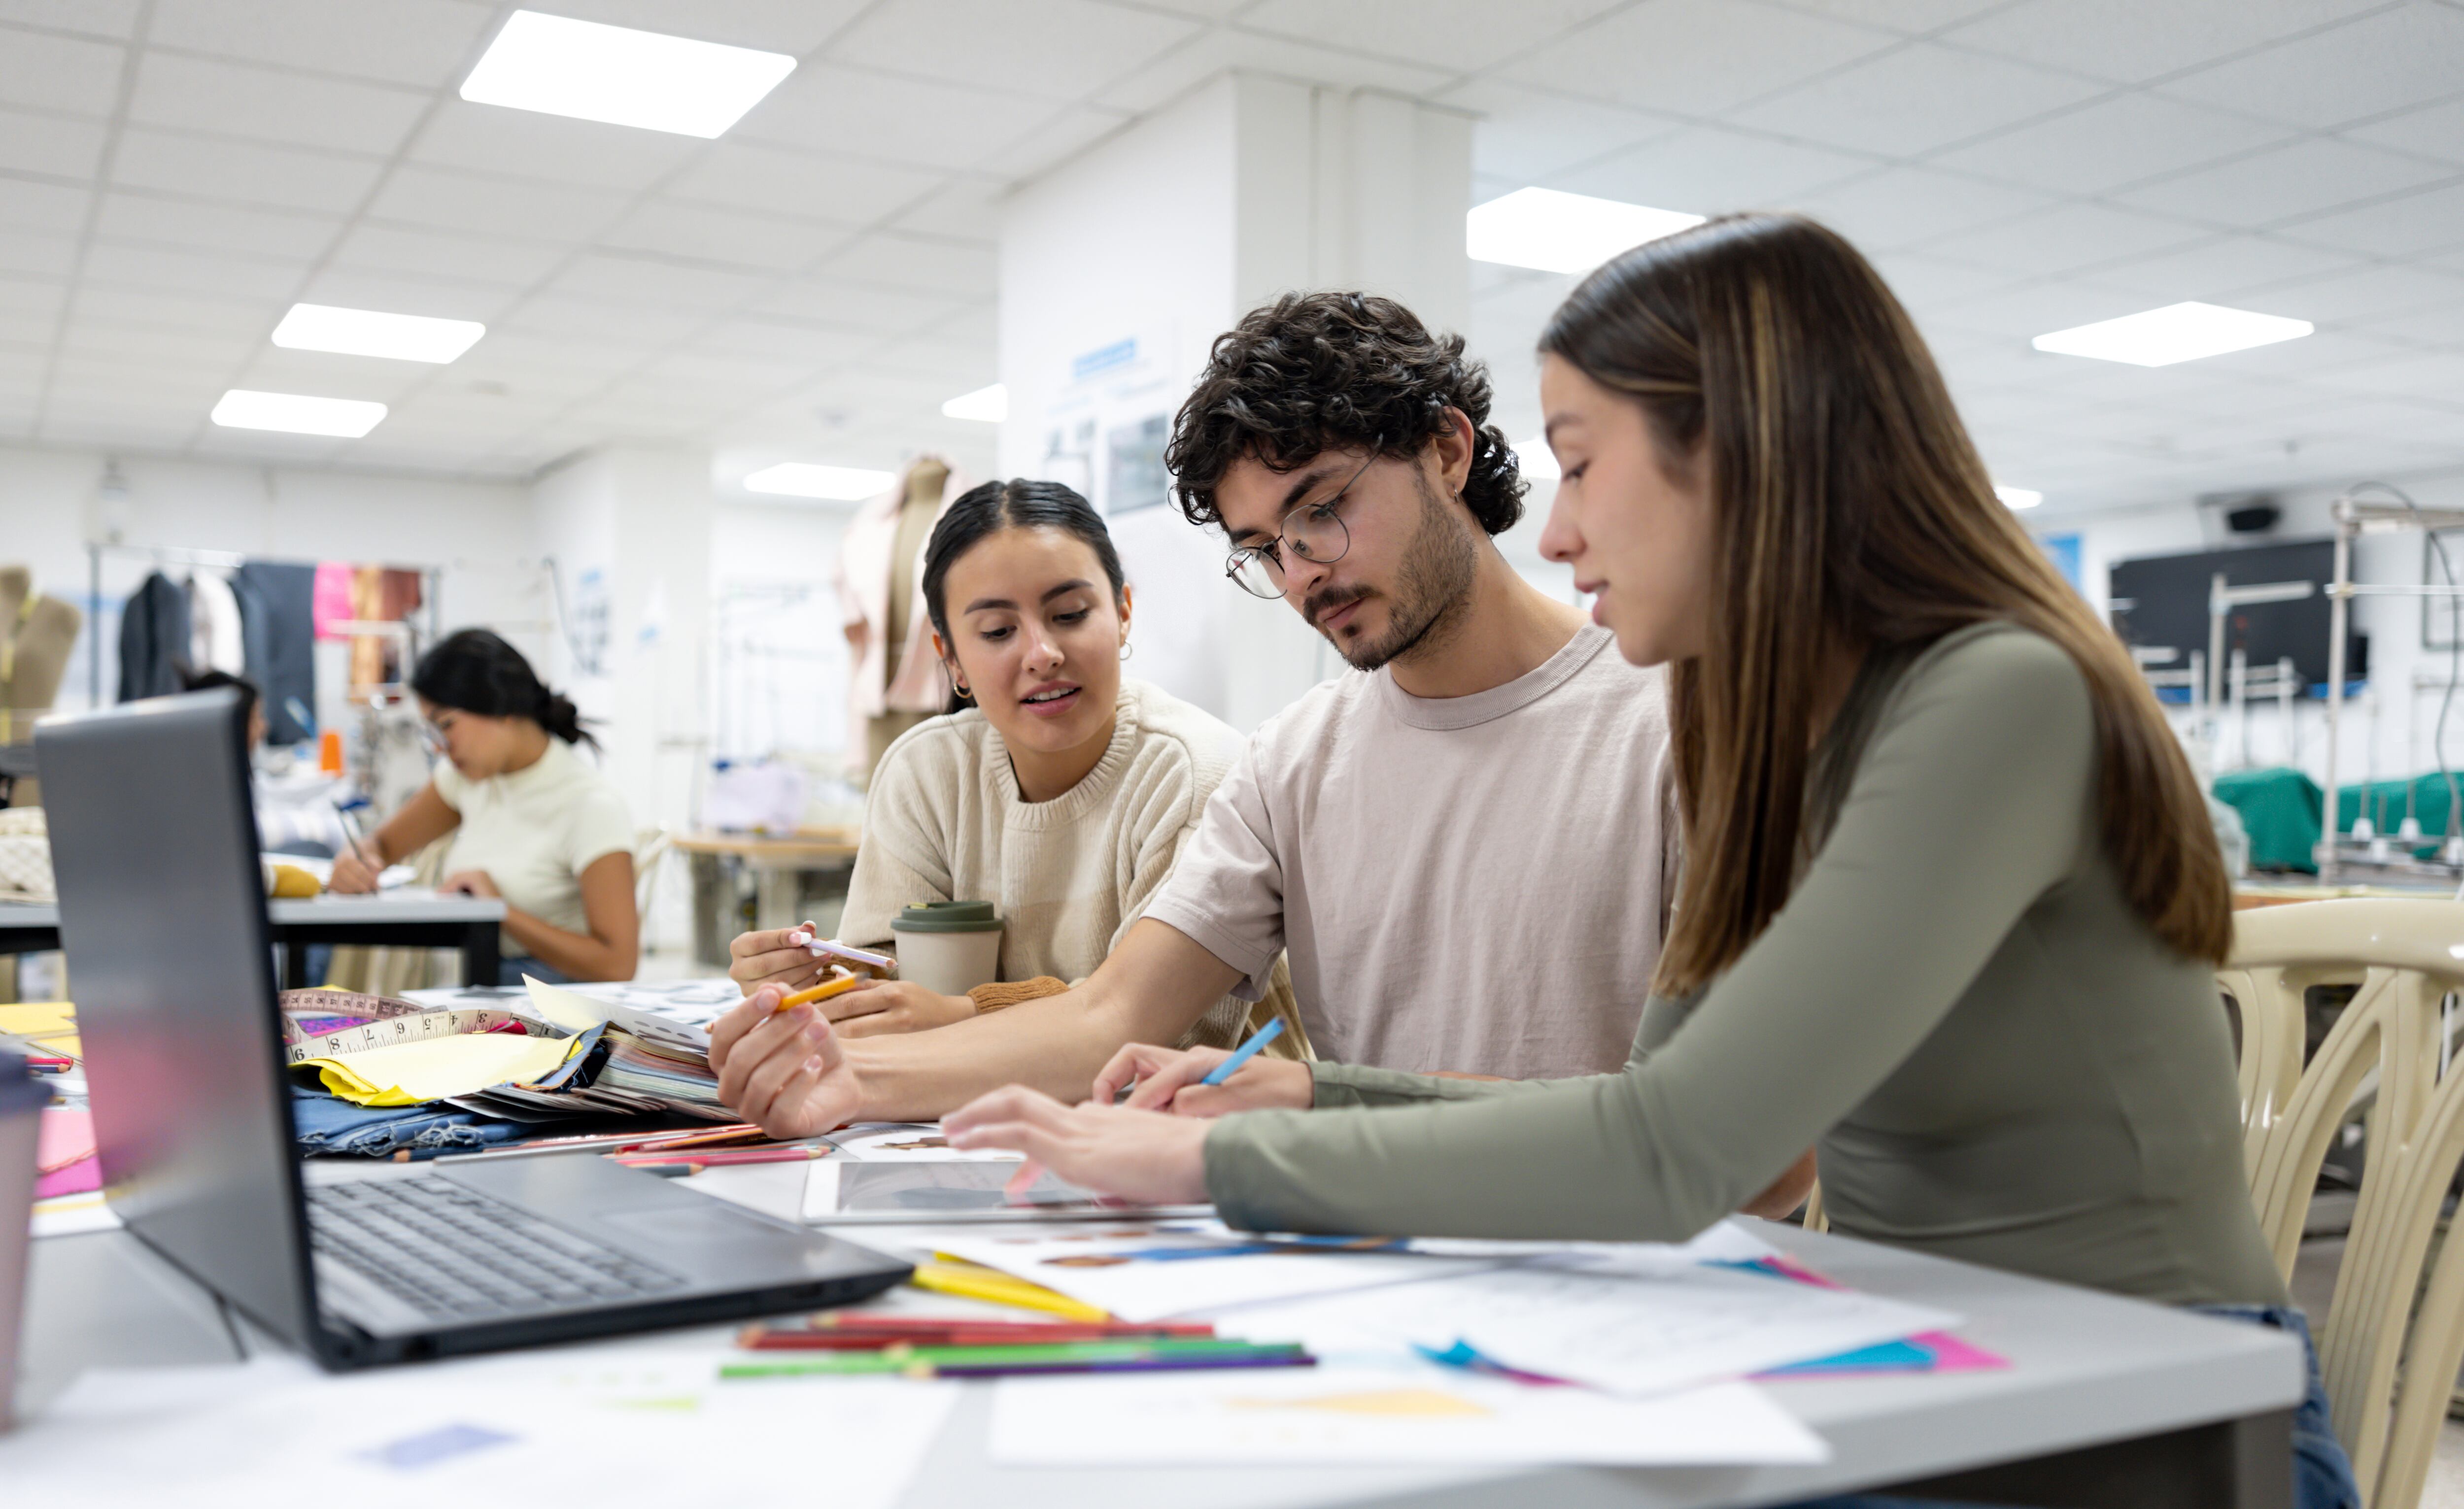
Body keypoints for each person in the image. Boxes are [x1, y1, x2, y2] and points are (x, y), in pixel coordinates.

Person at [934, 215, 2360, 1509]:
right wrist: (1313, 1086)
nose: (1552, 528)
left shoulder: (1998, 691)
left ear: (1740, 446)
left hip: (2158, 1413)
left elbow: (1686, 1149)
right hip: (1933, 1363)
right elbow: (1662, 1102)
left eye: (1579, 462)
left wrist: (1225, 1154)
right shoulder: (1773, 712)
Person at [710, 291, 1679, 1143]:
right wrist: (840, 1077)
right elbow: (1110, 1017)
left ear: (1446, 450)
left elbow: (1730, 1142)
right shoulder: (1298, 760)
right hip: (1376, 1251)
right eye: (1262, 548)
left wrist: (1315, 1104)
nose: (1301, 572)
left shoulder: (1675, 722)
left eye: (1324, 510)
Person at [724, 478, 1291, 1049]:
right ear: (952, 661)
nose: (1042, 654)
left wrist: (964, 1013)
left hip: (1206, 1117)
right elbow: (885, 972)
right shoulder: (926, 773)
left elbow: (1165, 1027)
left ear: (1122, 612)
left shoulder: (1194, 774)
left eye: (1070, 614)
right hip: (981, 1108)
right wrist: (816, 984)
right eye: (997, 631)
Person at [331, 629, 638, 985]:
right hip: (477, 985)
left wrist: (500, 911)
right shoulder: (467, 779)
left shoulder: (590, 807)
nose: (440, 747)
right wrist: (356, 862)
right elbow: (383, 846)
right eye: (432, 731)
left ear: (502, 707)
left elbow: (617, 964)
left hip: (545, 1008)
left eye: (446, 725)